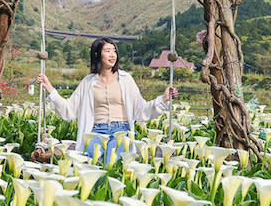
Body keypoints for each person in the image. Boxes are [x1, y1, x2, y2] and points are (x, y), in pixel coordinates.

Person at [37, 38, 177, 163]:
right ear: (97, 54)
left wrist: (163, 99)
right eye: (107, 51)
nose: (112, 55)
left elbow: (141, 110)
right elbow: (69, 109)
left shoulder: (126, 79)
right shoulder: (88, 82)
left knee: (114, 163)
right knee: (88, 162)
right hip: (95, 131)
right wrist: (49, 87)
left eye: (114, 51)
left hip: (121, 131)